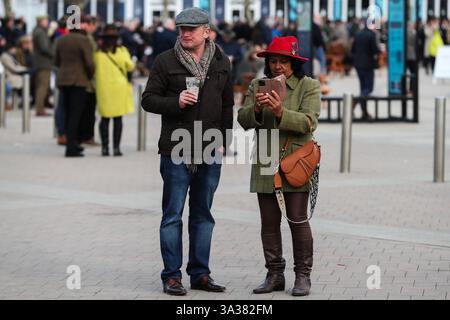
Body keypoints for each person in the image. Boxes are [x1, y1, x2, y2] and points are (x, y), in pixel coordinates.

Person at [141, 7, 234, 296]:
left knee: (203, 214)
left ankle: (200, 274)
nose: (185, 33)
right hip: (176, 148)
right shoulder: (165, 60)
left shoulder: (221, 60)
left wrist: (224, 141)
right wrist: (176, 101)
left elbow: (228, 104)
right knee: (172, 214)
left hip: (210, 147)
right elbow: (148, 100)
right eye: (181, 28)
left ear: (207, 31)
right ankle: (171, 276)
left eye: (192, 28)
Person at [237, 36, 321, 296]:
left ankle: (302, 276)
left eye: (284, 61)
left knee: (297, 219)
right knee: (269, 223)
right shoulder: (257, 85)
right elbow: (243, 119)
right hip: (265, 157)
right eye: (273, 61)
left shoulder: (309, 86)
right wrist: (260, 111)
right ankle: (275, 274)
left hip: (295, 160)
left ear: (294, 63)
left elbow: (309, 122)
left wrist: (281, 112)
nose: (278, 66)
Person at [54, 16, 95, 157]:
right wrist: (89, 76)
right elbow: (89, 63)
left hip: (63, 80)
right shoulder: (83, 40)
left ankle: (72, 143)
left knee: (66, 112)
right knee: (76, 114)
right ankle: (72, 147)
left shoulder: (61, 39)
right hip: (79, 80)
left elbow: (56, 60)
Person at [95, 24, 135, 156]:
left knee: (104, 119)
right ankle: (116, 148)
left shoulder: (97, 53)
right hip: (119, 88)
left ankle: (105, 148)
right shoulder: (122, 51)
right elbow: (130, 67)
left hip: (103, 89)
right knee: (118, 119)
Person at [351, 21, 380, 120]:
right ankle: (356, 100)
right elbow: (375, 50)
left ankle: (364, 112)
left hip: (358, 64)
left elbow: (352, 50)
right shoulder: (371, 35)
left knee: (363, 88)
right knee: (369, 88)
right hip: (368, 64)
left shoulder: (358, 34)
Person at [32, 16, 53, 116]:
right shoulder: (40, 32)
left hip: (40, 63)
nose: (47, 22)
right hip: (43, 63)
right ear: (41, 21)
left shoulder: (38, 31)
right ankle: (40, 109)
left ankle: (41, 107)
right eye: (45, 20)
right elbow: (44, 47)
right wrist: (54, 53)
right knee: (42, 87)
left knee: (42, 86)